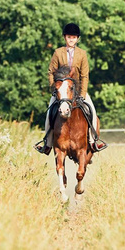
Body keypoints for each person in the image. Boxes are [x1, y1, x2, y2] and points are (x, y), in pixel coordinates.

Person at [35, 23, 107, 155]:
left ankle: (93, 140)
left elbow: (85, 76)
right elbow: (51, 72)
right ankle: (48, 144)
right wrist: (55, 88)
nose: (71, 39)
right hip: (61, 92)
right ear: (65, 38)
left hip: (78, 91)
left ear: (77, 39)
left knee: (92, 111)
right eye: (69, 37)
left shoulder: (82, 54)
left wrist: (83, 94)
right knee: (49, 114)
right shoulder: (58, 53)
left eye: (74, 37)